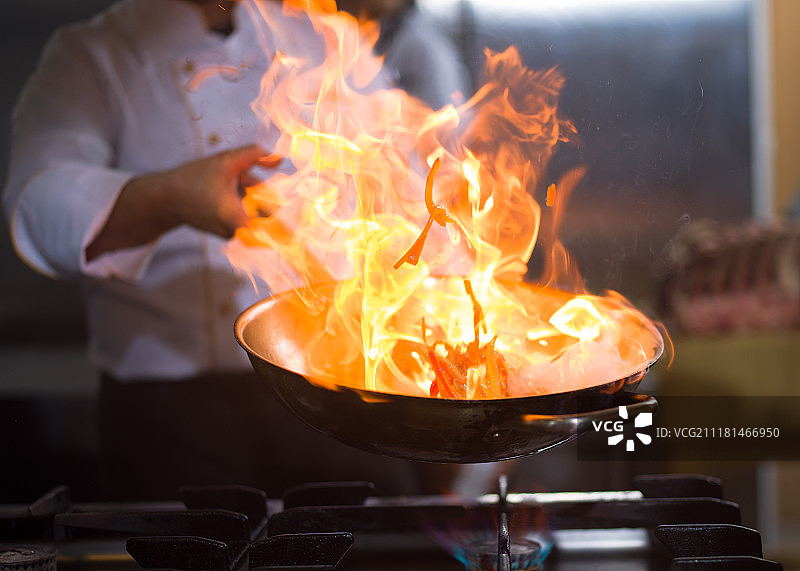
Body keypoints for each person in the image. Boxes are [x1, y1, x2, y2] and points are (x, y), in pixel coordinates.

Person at [3, 0, 469, 500]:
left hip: (337, 398)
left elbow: (412, 193)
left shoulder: (318, 35)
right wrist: (168, 198)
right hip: (171, 419)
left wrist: (460, 326)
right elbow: (38, 208)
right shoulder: (91, 55)